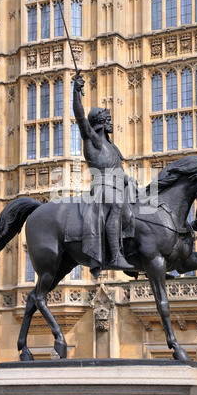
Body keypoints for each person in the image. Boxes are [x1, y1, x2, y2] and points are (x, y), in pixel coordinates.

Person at [73, 72, 134, 272]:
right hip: (102, 187)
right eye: (107, 119)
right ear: (99, 122)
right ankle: (115, 256)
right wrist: (76, 92)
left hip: (118, 185)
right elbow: (80, 117)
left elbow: (118, 170)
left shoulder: (111, 146)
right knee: (116, 205)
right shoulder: (93, 140)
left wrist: (126, 179)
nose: (110, 122)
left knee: (143, 207)